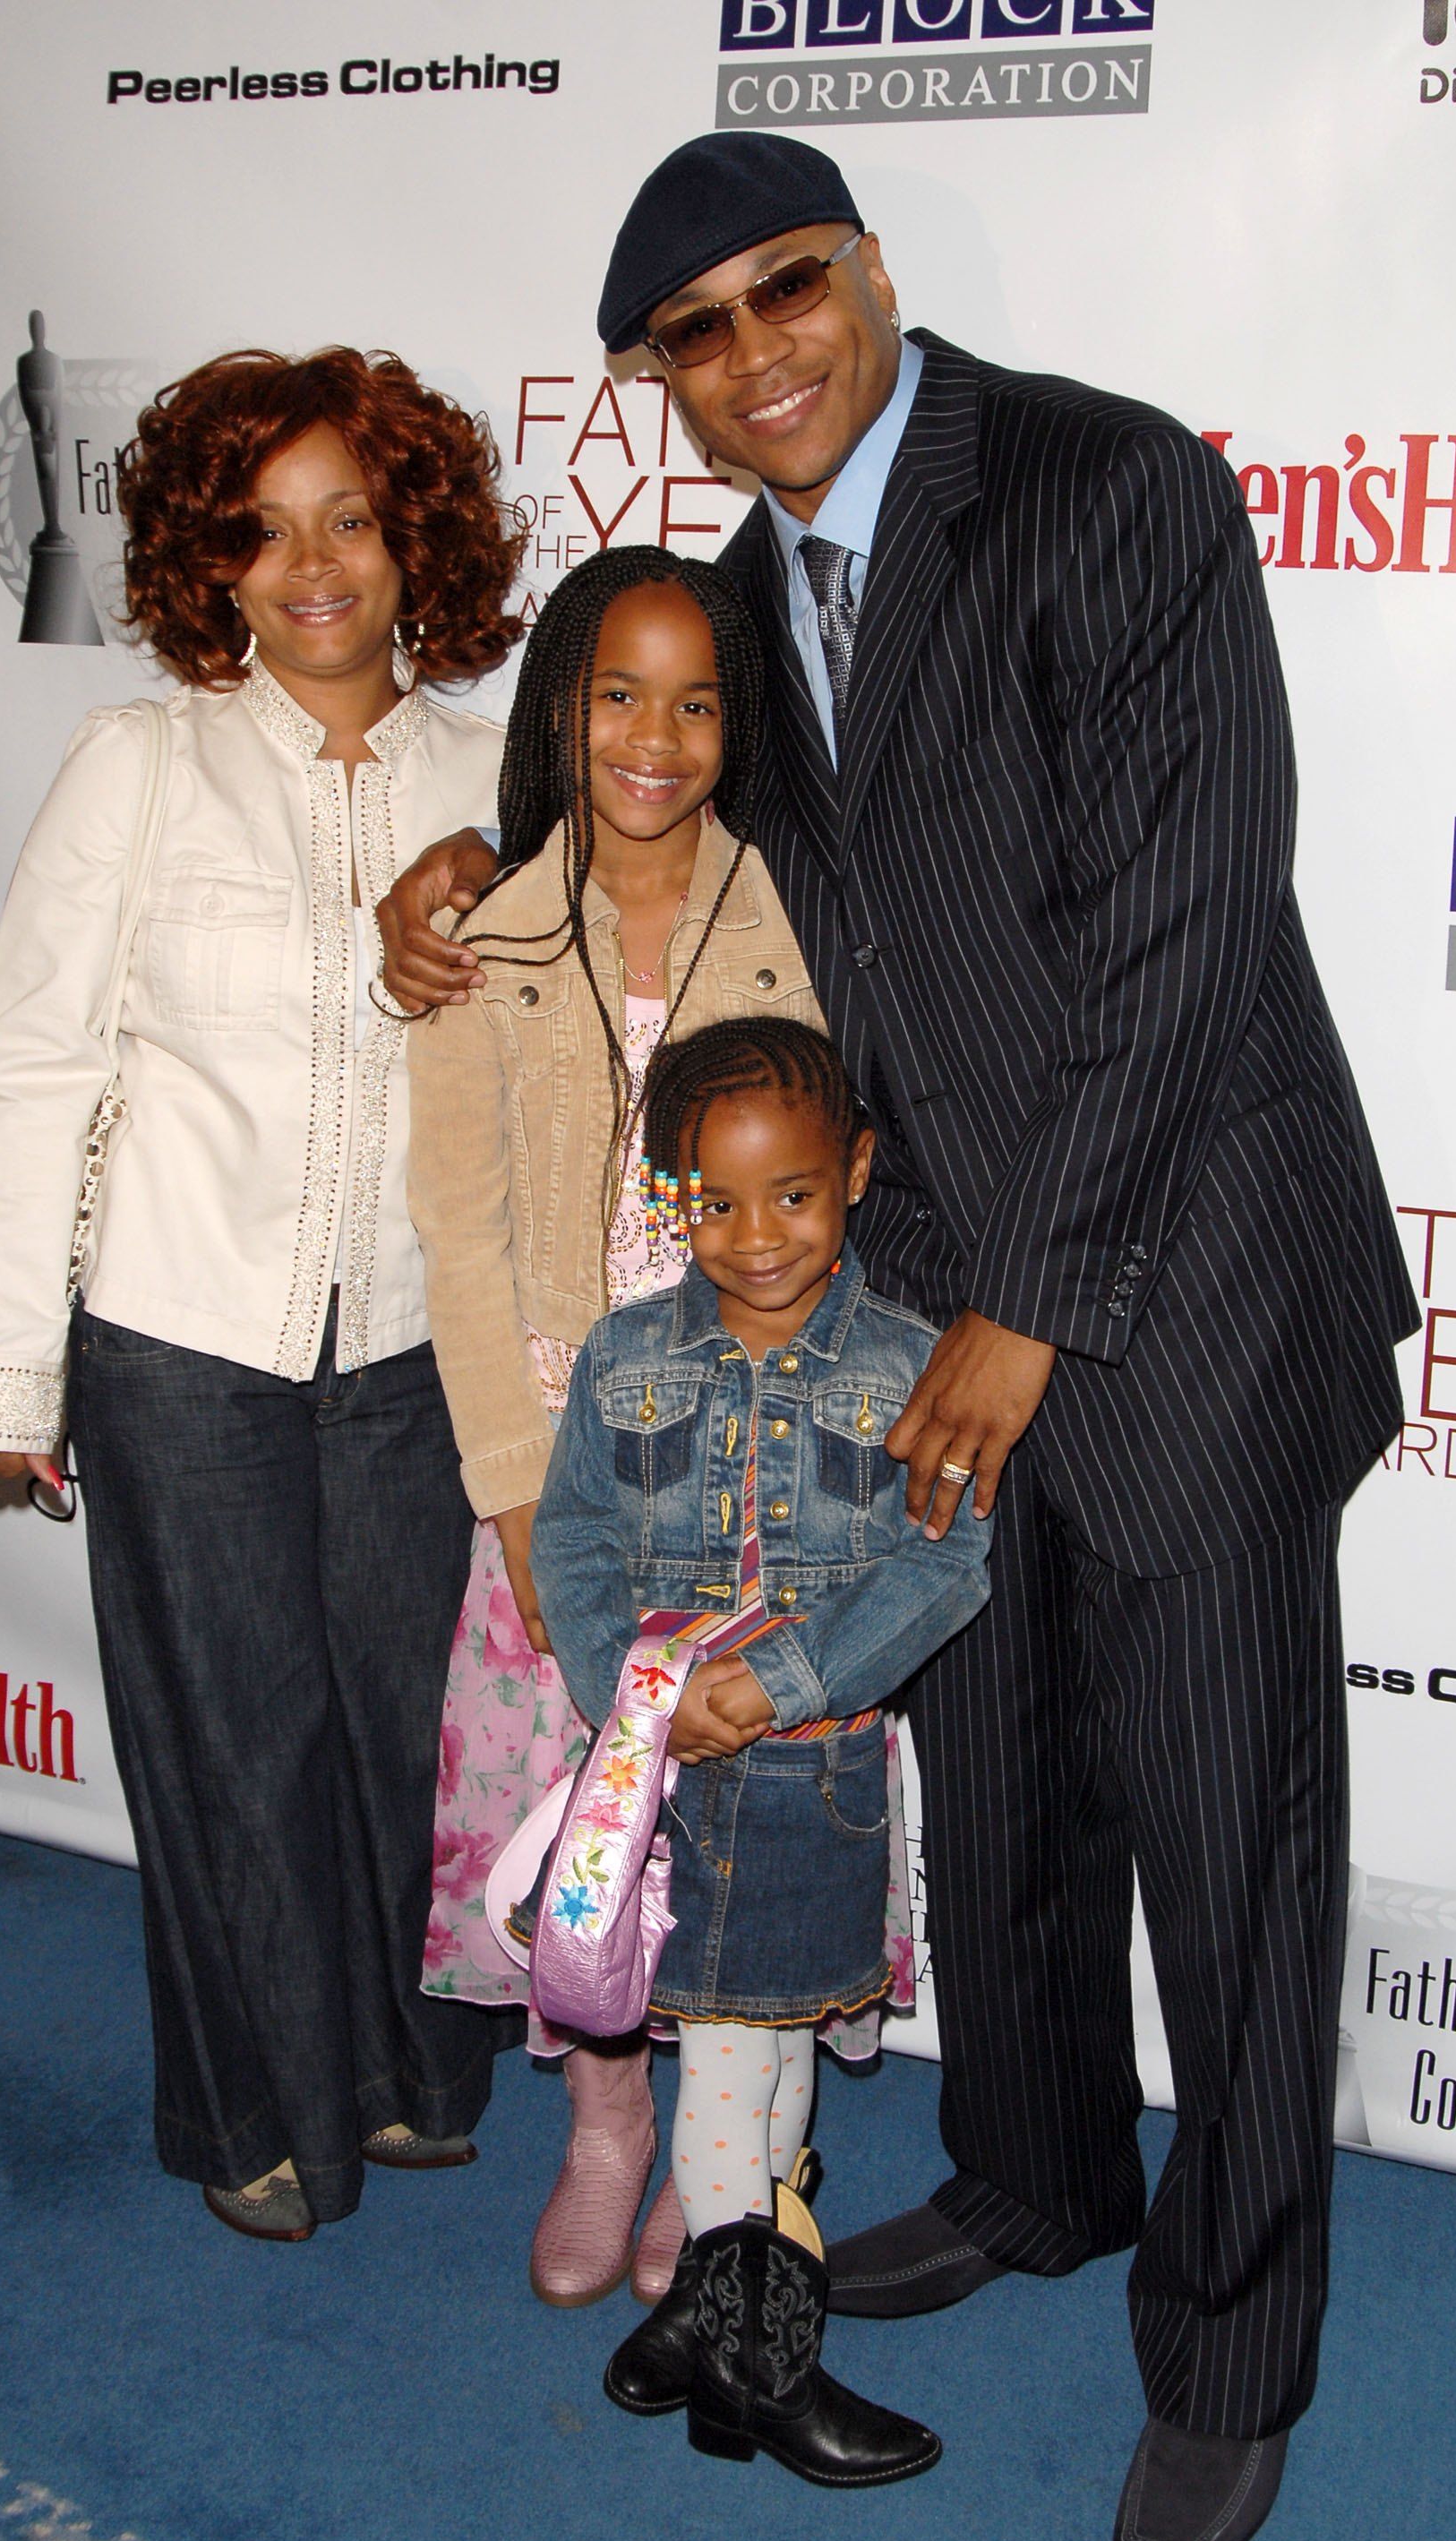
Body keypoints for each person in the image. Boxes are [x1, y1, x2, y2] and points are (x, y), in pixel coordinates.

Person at [384, 136, 1417, 2541]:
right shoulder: (738, 602)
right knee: (1010, 1780)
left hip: (1173, 1294)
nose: (761, 352)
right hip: (929, 1335)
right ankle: (1043, 2175)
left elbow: (1189, 910)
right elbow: (639, 831)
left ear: (869, 268)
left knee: (1226, 1843)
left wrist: (1032, 1312)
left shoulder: (1104, 480)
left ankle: (1233, 2349)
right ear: (658, 380)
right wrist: (452, 875)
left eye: (789, 287)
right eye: (698, 332)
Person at [0, 346, 524, 2241]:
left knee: (408, 1732)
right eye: (259, 534)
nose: (313, 566)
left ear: (413, 535)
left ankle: (424, 2072)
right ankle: (261, 2116)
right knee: (228, 1739)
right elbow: (33, 1070)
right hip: (180, 1345)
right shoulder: (140, 760)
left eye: (348, 516)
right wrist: (0, 1381)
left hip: (418, 1347)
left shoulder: (496, 768)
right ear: (206, 565)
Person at [406, 545, 915, 2314]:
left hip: (753, 1447)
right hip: (559, 1468)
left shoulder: (790, 914)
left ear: (734, 723)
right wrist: (511, 1488)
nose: (653, 737)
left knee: (734, 1795)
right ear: (562, 707)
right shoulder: (481, 929)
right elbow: (455, 1232)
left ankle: (735, 2139)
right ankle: (607, 2126)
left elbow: (832, 1183)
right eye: (616, 695)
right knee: (579, 1810)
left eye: (692, 701)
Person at [530, 1017, 990, 2486]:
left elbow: (945, 1561)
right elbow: (577, 1541)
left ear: (855, 1172)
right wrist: (643, 1693)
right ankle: (757, 2365)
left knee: (778, 2041)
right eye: (713, 1203)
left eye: (792, 1194)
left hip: (825, 1777)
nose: (755, 1237)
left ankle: (706, 2327)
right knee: (725, 2062)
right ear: (671, 1194)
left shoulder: (917, 1363)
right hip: (672, 1782)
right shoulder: (625, 1354)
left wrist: (780, 1683)